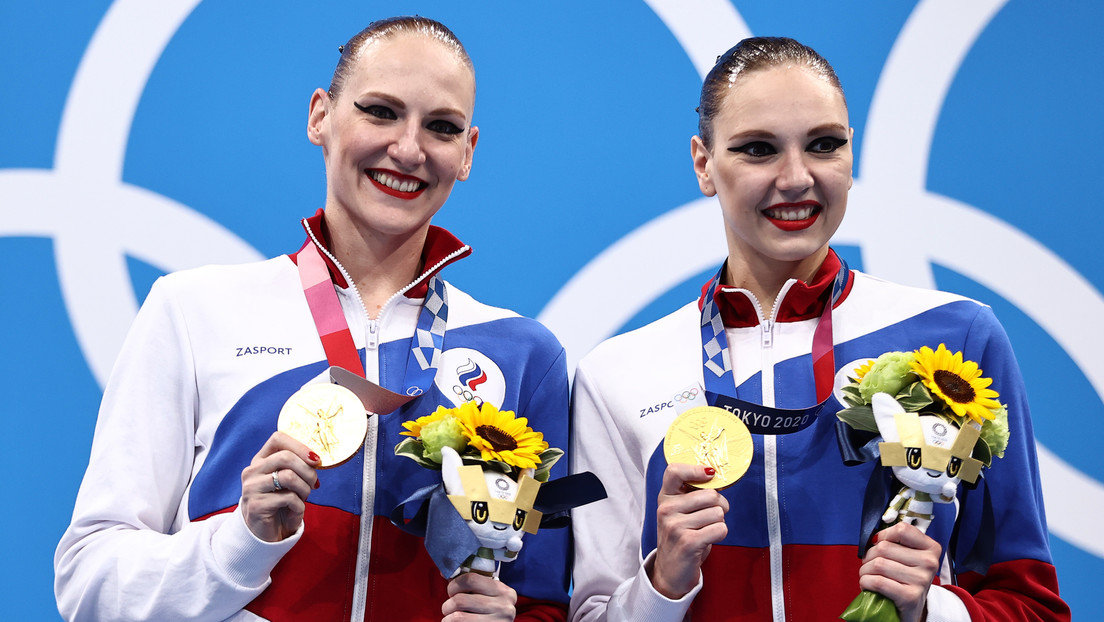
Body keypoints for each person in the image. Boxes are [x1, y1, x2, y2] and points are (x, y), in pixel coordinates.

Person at [54, 16, 571, 622]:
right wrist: (242, 541)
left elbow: (543, 600)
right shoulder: (193, 312)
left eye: (441, 126)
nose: (408, 149)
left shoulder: (523, 357)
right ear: (320, 116)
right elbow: (89, 582)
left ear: (466, 153)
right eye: (380, 112)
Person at [568, 37, 1069, 622]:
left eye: (824, 145)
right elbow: (592, 613)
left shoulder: (956, 339)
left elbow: (1032, 604)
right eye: (758, 149)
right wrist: (663, 582)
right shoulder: (619, 374)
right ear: (704, 164)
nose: (797, 178)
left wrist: (930, 609)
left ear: (851, 155)